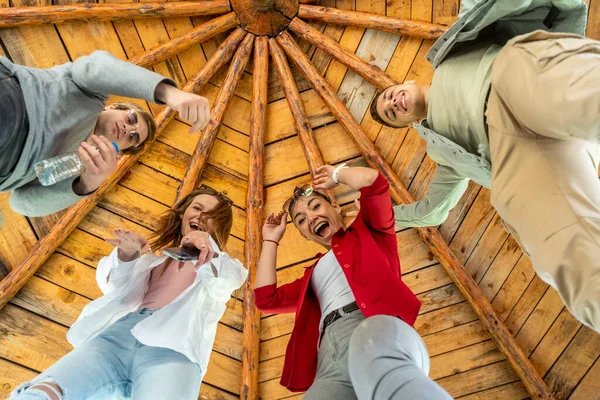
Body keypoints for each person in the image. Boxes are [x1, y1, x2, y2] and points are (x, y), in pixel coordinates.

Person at [369, 0, 600, 332]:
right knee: (567, 253)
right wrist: (376, 217)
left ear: (405, 82)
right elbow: (433, 211)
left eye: (390, 95)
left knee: (584, 93)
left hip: (508, 80)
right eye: (391, 112)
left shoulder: (450, 53)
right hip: (513, 158)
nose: (393, 102)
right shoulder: (439, 151)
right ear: (406, 124)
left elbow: (479, 5)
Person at [10, 185, 247, 400]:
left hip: (175, 351)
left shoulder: (221, 265)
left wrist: (209, 248)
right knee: (46, 390)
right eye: (197, 208)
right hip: (117, 338)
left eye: (211, 217)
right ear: (184, 213)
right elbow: (115, 288)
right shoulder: (152, 262)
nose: (201, 217)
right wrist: (127, 253)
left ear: (218, 228)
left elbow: (229, 278)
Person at [254, 164, 452, 399]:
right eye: (301, 220)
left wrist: (337, 175)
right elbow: (265, 299)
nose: (312, 217)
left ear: (335, 206)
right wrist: (270, 240)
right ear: (304, 234)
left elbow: (374, 183)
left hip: (375, 329)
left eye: (316, 206)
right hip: (330, 355)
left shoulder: (371, 230)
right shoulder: (312, 276)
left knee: (395, 386)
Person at [1, 50, 216, 217]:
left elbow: (20, 203)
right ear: (112, 108)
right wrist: (169, 93)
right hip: (14, 100)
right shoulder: (91, 95)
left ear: (121, 152)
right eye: (131, 118)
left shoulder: (75, 170)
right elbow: (95, 67)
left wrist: (87, 184)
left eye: (132, 137)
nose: (128, 129)